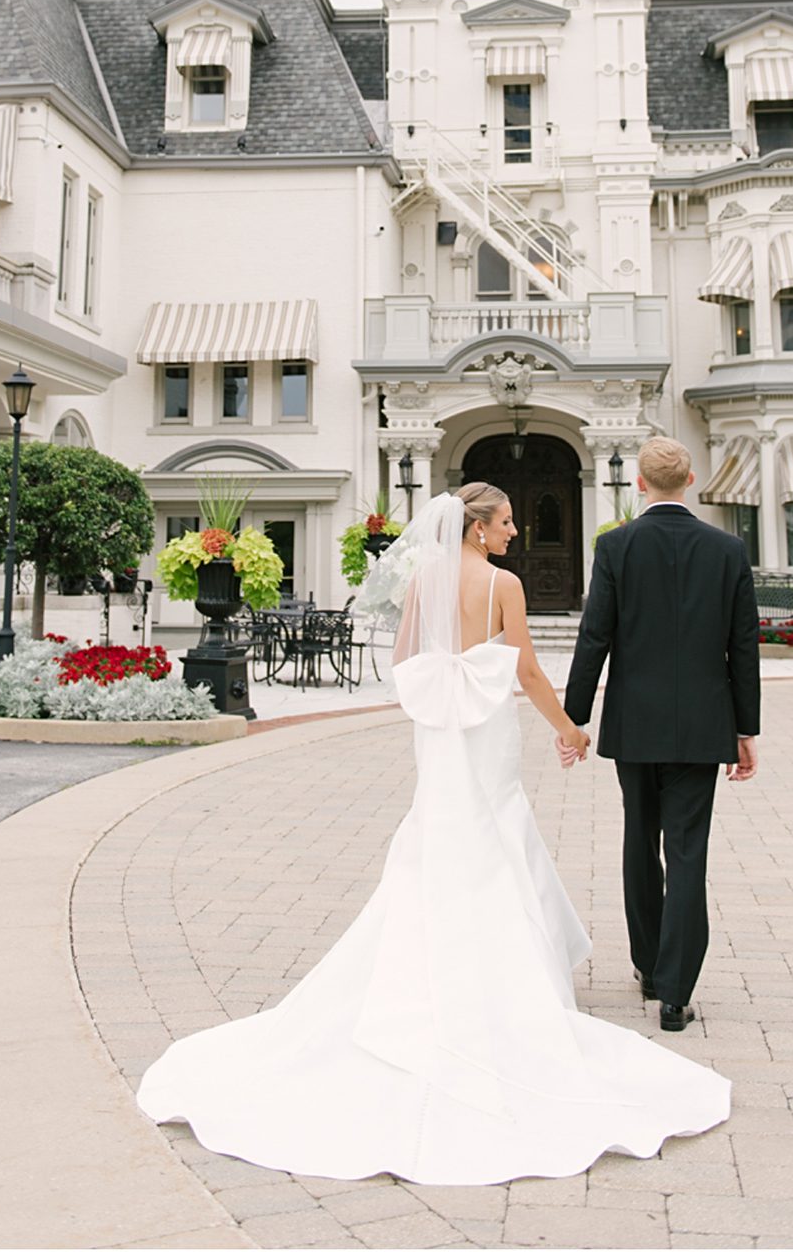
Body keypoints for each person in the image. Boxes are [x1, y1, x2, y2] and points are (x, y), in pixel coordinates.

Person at [137, 481, 730, 1185]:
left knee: (443, 835)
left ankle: (432, 971)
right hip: (487, 731)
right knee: (496, 834)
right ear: (478, 528)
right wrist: (569, 729)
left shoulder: (423, 580)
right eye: (506, 521)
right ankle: (507, 989)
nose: (515, 531)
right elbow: (526, 668)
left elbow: (404, 662)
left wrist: (449, 688)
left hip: (442, 732)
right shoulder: (504, 585)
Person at [563, 436, 761, 1034]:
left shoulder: (615, 546)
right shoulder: (728, 550)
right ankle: (675, 994)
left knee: (639, 842)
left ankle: (649, 967)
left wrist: (575, 718)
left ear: (640, 483)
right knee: (687, 851)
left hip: (635, 722)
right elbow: (743, 646)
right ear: (691, 480)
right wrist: (746, 728)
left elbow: (595, 635)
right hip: (704, 724)